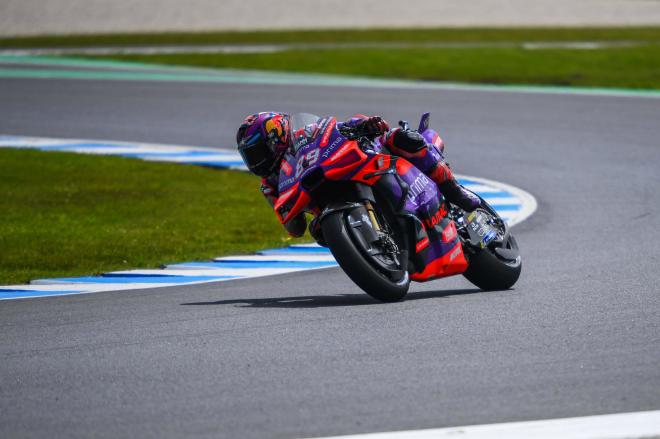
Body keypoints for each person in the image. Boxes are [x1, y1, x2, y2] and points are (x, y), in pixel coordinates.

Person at [236, 112, 480, 238]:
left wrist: (365, 124)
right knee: (319, 232)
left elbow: (337, 128)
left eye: (257, 151)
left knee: (400, 138)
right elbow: (295, 228)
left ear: (274, 136)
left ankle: (453, 190)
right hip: (327, 204)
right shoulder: (269, 184)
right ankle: (375, 243)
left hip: (356, 162)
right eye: (249, 156)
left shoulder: (305, 133)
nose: (255, 161)